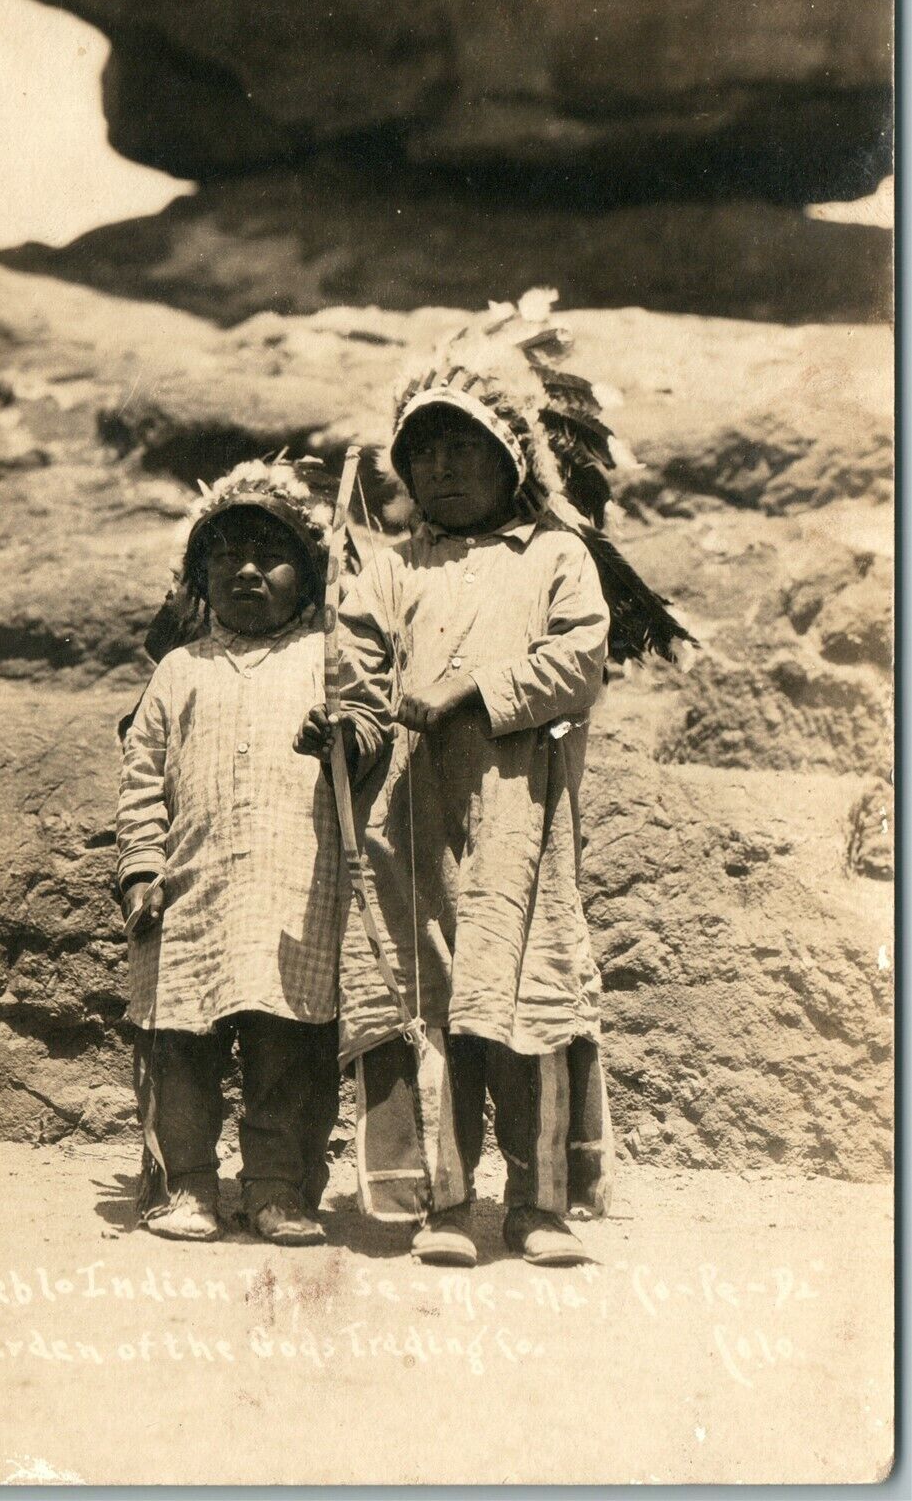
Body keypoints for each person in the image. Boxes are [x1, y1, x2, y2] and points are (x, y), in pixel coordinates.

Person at [297, 293, 690, 1269]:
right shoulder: (385, 570)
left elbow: (580, 667)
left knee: (523, 995)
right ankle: (441, 1203)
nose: (442, 466)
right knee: (428, 998)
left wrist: (473, 689)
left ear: (509, 459)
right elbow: (355, 681)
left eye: (464, 446)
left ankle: (538, 1203)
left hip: (521, 808)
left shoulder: (553, 555)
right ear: (401, 470)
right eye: (422, 451)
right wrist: (343, 734)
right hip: (410, 818)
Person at [117, 458, 371, 1246]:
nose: (247, 571)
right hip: (188, 895)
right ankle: (187, 1183)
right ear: (197, 578)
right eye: (225, 557)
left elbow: (371, 732)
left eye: (270, 555)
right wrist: (140, 869)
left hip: (293, 892)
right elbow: (140, 780)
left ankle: (277, 1187)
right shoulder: (176, 671)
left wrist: (343, 738)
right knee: (180, 1045)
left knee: (288, 1047)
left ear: (313, 572)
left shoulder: (327, 659)